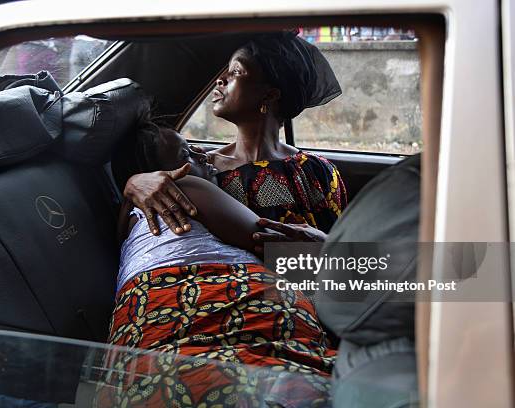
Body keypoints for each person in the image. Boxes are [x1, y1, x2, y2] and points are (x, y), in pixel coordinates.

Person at [104, 125, 336, 407]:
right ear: (163, 174)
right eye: (185, 153)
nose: (202, 154)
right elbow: (276, 246)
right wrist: (327, 245)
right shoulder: (186, 188)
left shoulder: (129, 218)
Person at [122, 31, 347, 254]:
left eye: (236, 72)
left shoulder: (317, 171)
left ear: (270, 95)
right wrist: (134, 182)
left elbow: (351, 261)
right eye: (225, 71)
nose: (221, 79)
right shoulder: (197, 168)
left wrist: (325, 244)